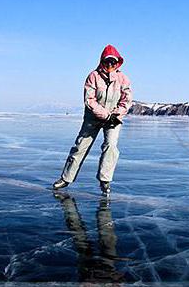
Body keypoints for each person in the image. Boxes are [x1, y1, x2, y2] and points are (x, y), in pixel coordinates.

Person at [53, 44, 133, 195]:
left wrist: (115, 115)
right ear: (102, 61)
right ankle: (66, 178)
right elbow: (89, 100)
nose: (110, 65)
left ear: (118, 63)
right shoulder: (93, 76)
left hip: (114, 119)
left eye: (113, 62)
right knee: (80, 147)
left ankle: (105, 180)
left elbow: (126, 100)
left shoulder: (123, 79)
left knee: (111, 146)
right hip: (93, 118)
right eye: (107, 61)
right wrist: (106, 115)